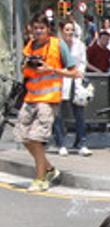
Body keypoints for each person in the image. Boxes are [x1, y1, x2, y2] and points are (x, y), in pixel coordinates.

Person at [15, 14, 75, 192]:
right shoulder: (30, 47)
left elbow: (74, 72)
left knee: (36, 138)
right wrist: (27, 65)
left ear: (48, 29)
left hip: (48, 101)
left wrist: (52, 69)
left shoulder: (58, 45)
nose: (39, 31)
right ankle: (49, 169)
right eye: (36, 28)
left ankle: (40, 178)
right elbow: (24, 70)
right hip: (30, 98)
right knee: (23, 137)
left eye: (42, 27)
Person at [51, 19, 90, 157]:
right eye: (67, 30)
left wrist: (78, 75)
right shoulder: (56, 45)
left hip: (75, 82)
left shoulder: (79, 45)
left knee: (79, 114)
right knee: (58, 115)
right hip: (59, 82)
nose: (70, 32)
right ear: (62, 31)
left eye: (72, 29)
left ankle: (82, 143)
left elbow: (83, 62)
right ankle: (60, 143)